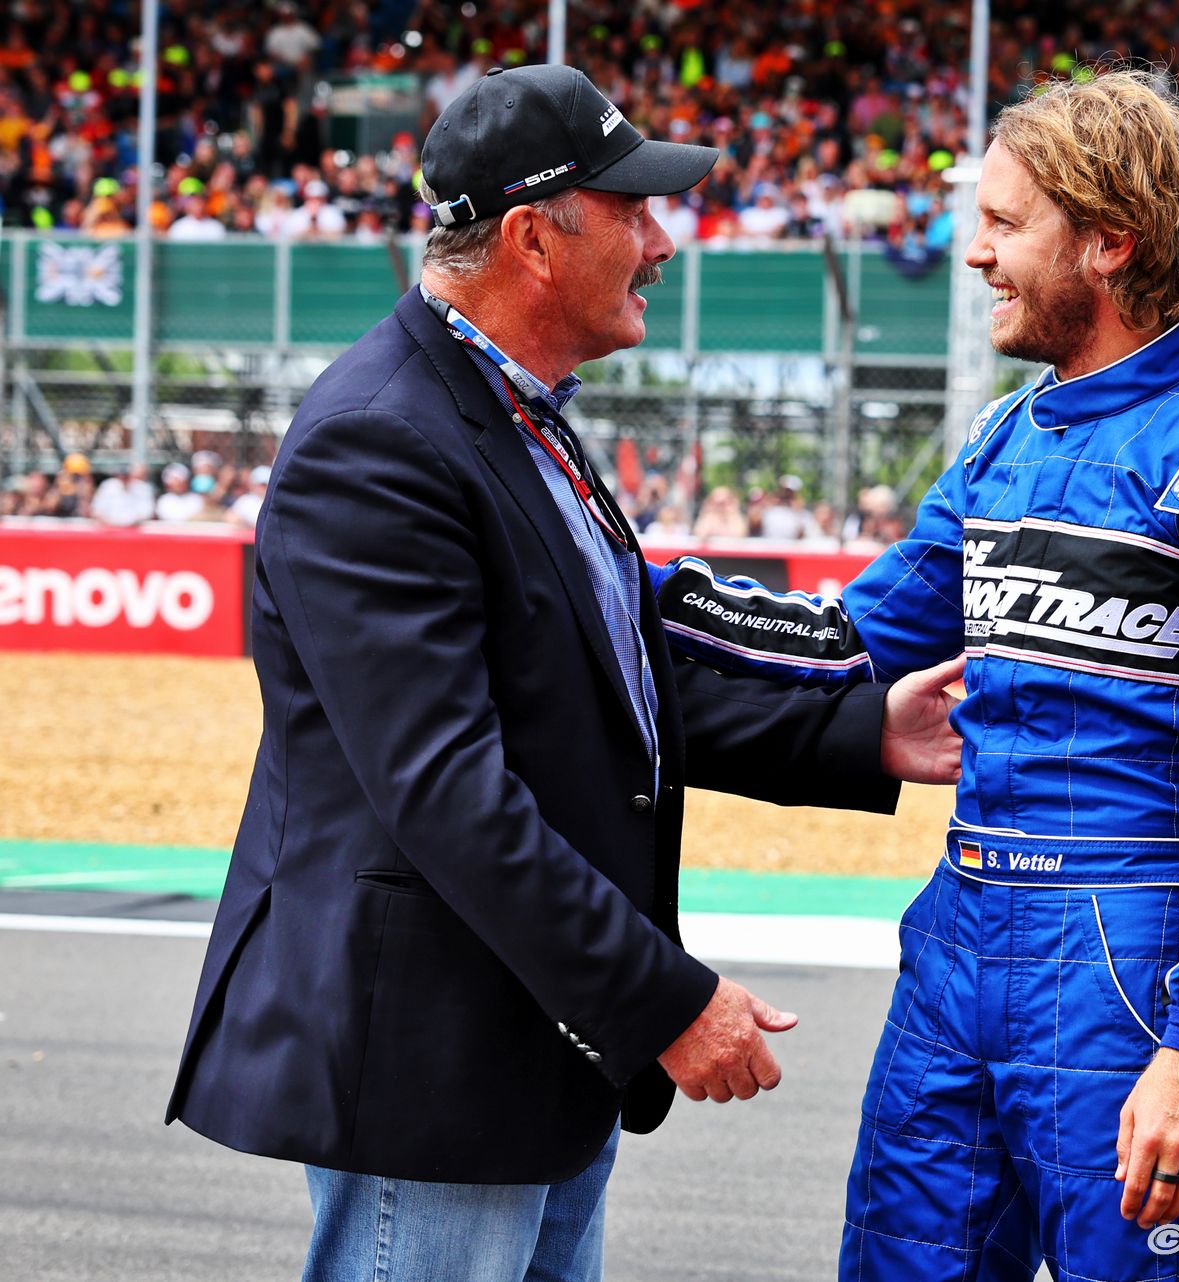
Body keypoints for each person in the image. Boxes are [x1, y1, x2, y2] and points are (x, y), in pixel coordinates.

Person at [164, 64, 964, 1282]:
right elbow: (448, 794)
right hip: (435, 1070)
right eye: (634, 211)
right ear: (535, 239)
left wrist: (858, 734)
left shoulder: (512, 413)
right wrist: (665, 1001)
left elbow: (599, 693)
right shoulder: (380, 439)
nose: (663, 245)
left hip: (533, 1047)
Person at [652, 69, 1179, 1282]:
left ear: (1108, 241)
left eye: (1001, 222)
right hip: (957, 933)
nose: (972, 252)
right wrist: (629, 582)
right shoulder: (1004, 437)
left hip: (1126, 962)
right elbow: (846, 639)